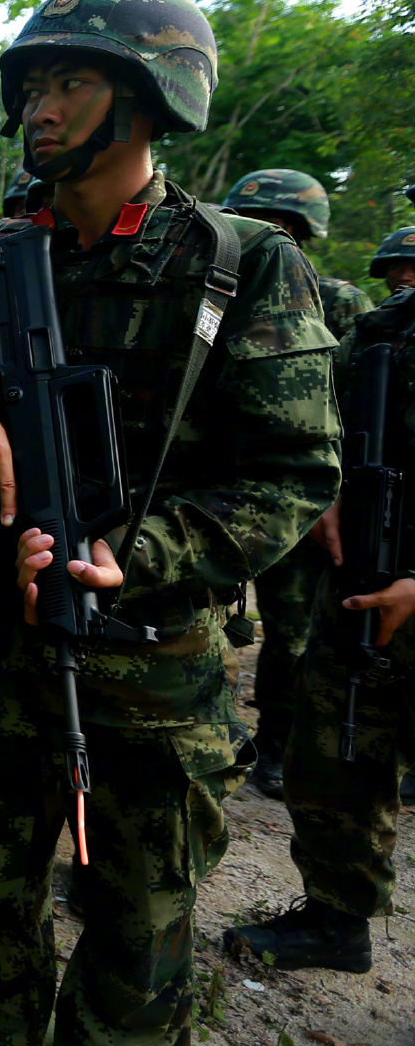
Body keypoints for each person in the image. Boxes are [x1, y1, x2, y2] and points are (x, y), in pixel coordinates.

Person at [0, 0, 339, 1046]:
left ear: (146, 99)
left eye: (71, 80)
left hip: (150, 689)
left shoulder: (237, 263)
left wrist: (131, 554)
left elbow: (291, 471)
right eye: (33, 85)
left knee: (134, 972)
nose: (38, 108)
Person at [222, 272, 415, 973]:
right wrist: (325, 486)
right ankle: (337, 918)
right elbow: (310, 418)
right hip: (362, 581)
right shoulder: (385, 330)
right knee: (336, 755)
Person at [219, 168, 373, 797]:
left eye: (285, 226)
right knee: (212, 622)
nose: (270, 233)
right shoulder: (211, 283)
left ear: (306, 233)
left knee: (293, 630)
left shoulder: (338, 302)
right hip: (216, 487)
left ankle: (278, 743)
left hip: (298, 492)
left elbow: (355, 407)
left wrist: (333, 486)